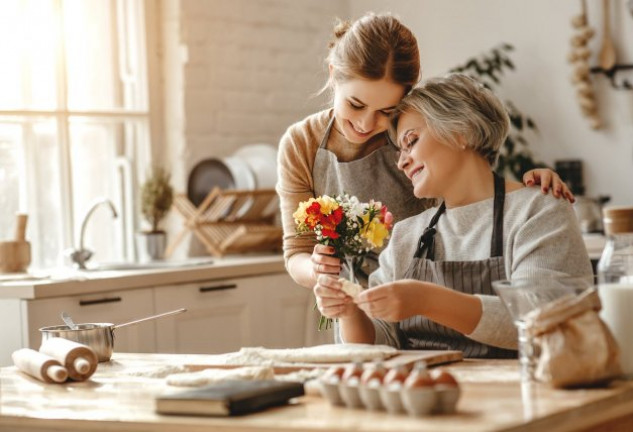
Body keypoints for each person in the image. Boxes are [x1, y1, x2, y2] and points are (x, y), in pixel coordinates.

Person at [276, 12, 574, 292]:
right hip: (352, 304)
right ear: (333, 74)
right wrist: (319, 270)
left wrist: (526, 191)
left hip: (429, 297)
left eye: (386, 111)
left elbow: (470, 199)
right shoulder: (302, 144)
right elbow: (296, 253)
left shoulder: (413, 132)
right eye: (355, 104)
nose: (366, 123)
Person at [313, 73, 593, 357]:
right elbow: (379, 343)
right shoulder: (407, 234)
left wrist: (426, 299)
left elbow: (543, 319)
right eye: (399, 150)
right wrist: (349, 311)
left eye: (411, 141)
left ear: (462, 131)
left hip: (521, 394)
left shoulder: (537, 210)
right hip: (427, 395)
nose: (401, 161)